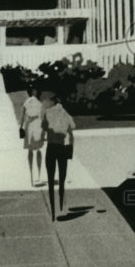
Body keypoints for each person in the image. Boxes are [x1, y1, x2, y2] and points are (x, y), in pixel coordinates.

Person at [41, 90, 76, 220]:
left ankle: (53, 212)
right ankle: (61, 205)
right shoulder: (66, 114)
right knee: (62, 178)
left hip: (51, 147)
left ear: (53, 101)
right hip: (62, 147)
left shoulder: (48, 113)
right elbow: (73, 126)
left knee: (51, 179)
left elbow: (43, 127)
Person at [19, 85, 45, 186]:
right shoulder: (39, 103)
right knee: (38, 149)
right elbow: (43, 117)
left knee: (31, 150)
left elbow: (22, 116)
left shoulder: (27, 102)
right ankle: (38, 175)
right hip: (37, 124)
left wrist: (21, 127)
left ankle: (32, 176)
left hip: (29, 124)